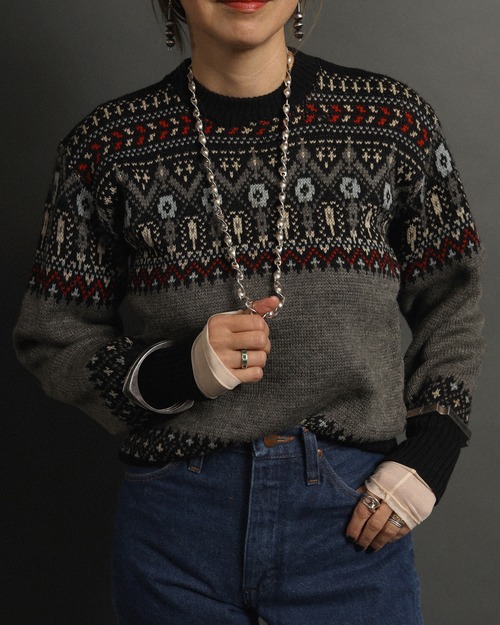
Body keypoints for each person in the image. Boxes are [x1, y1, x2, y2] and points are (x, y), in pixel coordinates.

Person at [14, 1, 484, 623]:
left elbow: (454, 295)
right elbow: (52, 337)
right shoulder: (105, 147)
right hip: (175, 527)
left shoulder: (391, 121)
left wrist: (434, 446)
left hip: (351, 517)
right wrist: (176, 371)